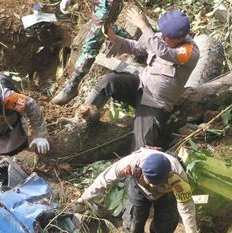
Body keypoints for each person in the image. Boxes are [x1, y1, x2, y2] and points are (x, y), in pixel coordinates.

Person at [79, 9, 199, 150]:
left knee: (141, 146)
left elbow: (163, 52)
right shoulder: (160, 38)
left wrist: (143, 26)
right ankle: (82, 117)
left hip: (155, 102)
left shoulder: (190, 51)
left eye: (168, 38)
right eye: (163, 36)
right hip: (141, 85)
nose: (163, 39)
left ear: (180, 38)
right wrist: (114, 38)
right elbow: (136, 47)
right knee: (109, 81)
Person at [77, 148, 205, 233]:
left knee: (165, 226)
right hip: (138, 188)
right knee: (133, 224)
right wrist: (84, 198)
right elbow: (105, 179)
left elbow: (186, 208)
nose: (151, 186)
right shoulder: (130, 164)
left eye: (155, 183)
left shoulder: (178, 179)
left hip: (167, 194)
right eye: (148, 180)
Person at [51, 0, 129, 105]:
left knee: (90, 46)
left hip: (108, 4)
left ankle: (73, 85)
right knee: (103, 27)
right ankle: (129, 40)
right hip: (100, 4)